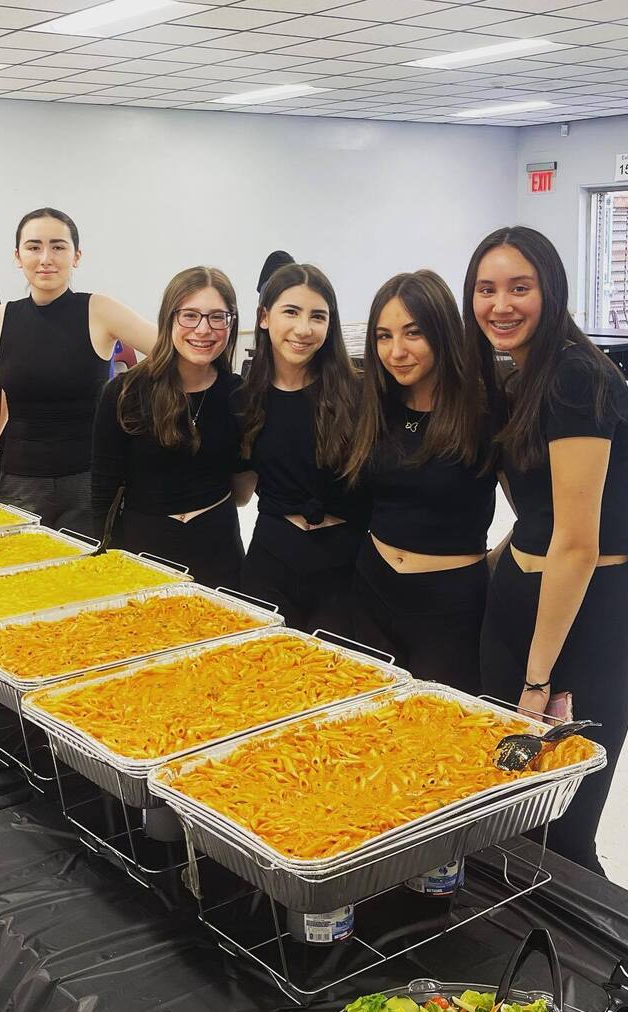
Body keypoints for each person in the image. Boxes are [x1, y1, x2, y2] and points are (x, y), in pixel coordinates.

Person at [467, 225, 628, 875]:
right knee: (512, 813)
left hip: (579, 632)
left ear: (552, 290)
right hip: (515, 610)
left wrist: (537, 679)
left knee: (566, 830)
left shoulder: (577, 376)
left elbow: (575, 546)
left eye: (520, 288)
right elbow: (541, 517)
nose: (501, 304)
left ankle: (606, 971)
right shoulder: (518, 379)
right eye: (486, 289)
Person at [345, 270, 499, 692]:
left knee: (439, 739)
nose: (395, 352)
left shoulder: (483, 411)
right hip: (371, 591)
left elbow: (543, 515)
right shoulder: (376, 404)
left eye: (413, 333)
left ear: (442, 332)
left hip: (450, 605)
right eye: (382, 336)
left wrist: (484, 568)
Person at [0, 208, 156, 531]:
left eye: (58, 246)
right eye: (33, 247)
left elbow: (169, 348)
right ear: (18, 256)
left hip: (89, 479)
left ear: (76, 255)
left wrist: (133, 397)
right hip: (20, 481)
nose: (46, 258)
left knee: (90, 577)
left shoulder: (99, 310)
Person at [91, 266, 248, 587]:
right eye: (189, 316)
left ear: (231, 323)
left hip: (218, 546)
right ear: (168, 318)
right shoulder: (124, 392)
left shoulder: (239, 394)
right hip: (143, 548)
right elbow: (102, 495)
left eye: (218, 317)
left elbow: (242, 492)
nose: (204, 329)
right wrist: (112, 559)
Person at [236, 263, 368, 632]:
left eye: (318, 316)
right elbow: (241, 488)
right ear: (264, 317)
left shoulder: (359, 393)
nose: (304, 329)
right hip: (271, 556)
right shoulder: (246, 397)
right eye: (291, 312)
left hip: (344, 563)